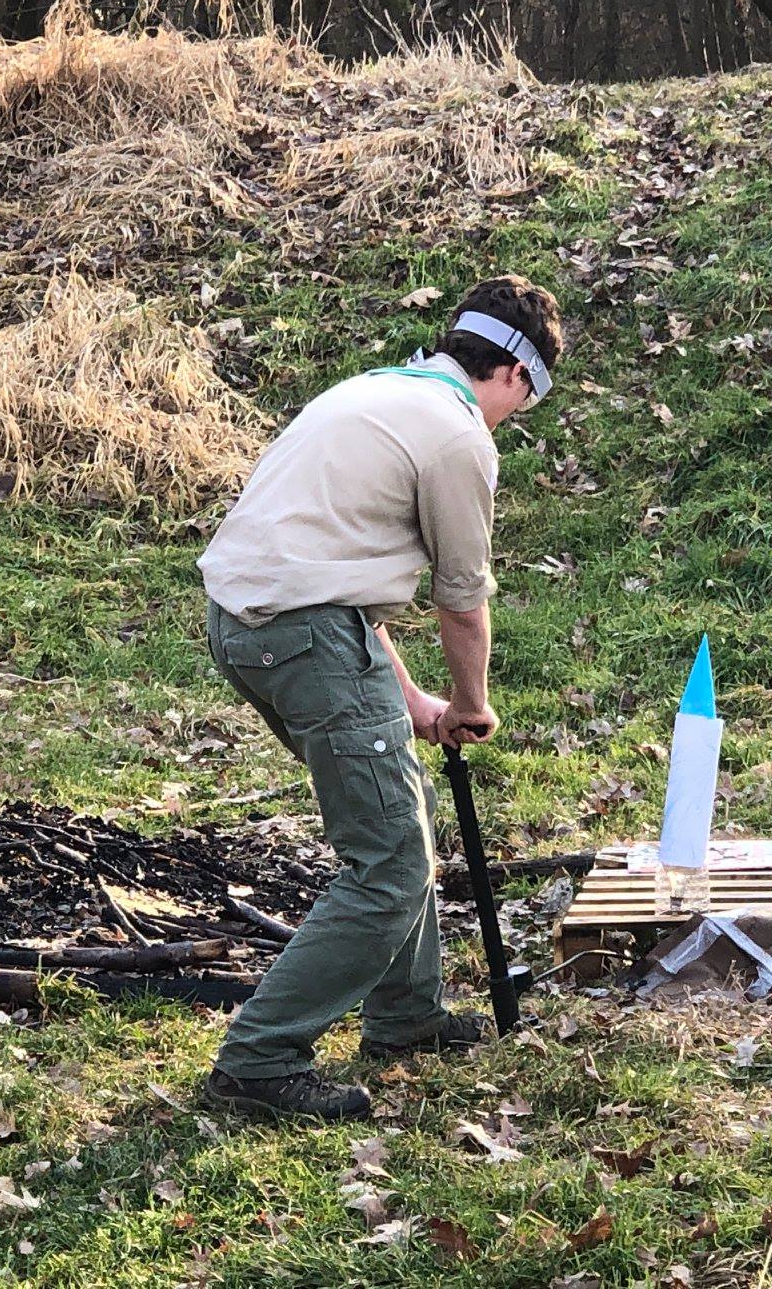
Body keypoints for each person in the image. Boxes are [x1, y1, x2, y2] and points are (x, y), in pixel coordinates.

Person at [196, 275, 565, 1120]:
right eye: (529, 398)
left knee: (392, 819)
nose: (516, 415)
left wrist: (414, 705)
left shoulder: (370, 392)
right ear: (513, 372)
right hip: (305, 637)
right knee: (390, 865)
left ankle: (405, 1018)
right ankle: (258, 1059)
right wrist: (471, 702)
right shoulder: (457, 436)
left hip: (246, 626)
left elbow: (341, 581)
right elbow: (462, 600)